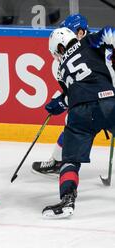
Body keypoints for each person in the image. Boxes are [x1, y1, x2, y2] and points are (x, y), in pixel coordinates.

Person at [42, 26, 115, 219]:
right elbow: (110, 31)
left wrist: (59, 103)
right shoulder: (88, 41)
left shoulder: (61, 69)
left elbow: (72, 94)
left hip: (81, 112)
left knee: (70, 161)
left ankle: (67, 200)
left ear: (59, 47)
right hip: (108, 101)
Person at [32, 14, 115, 177]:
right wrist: (64, 100)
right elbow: (77, 91)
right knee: (73, 118)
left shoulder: (94, 43)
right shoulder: (72, 55)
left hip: (106, 95)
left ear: (81, 32)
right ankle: (58, 161)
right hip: (103, 96)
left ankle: (60, 163)